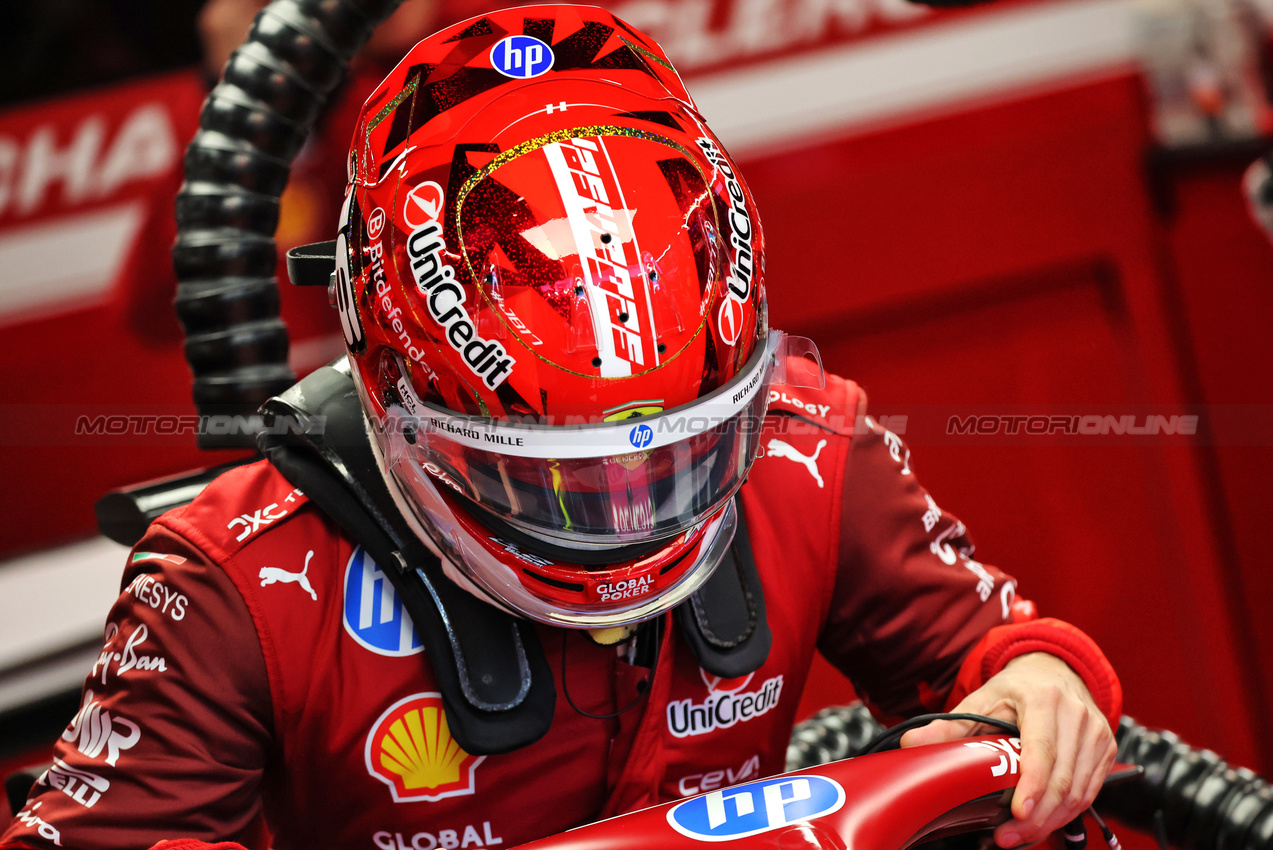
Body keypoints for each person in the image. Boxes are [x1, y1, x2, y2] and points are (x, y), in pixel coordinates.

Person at [1, 6, 1120, 850]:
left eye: (677, 458)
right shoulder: (235, 579)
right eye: (557, 482)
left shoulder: (805, 445)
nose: (628, 514)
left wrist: (1044, 682)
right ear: (403, 407)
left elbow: (999, 651)